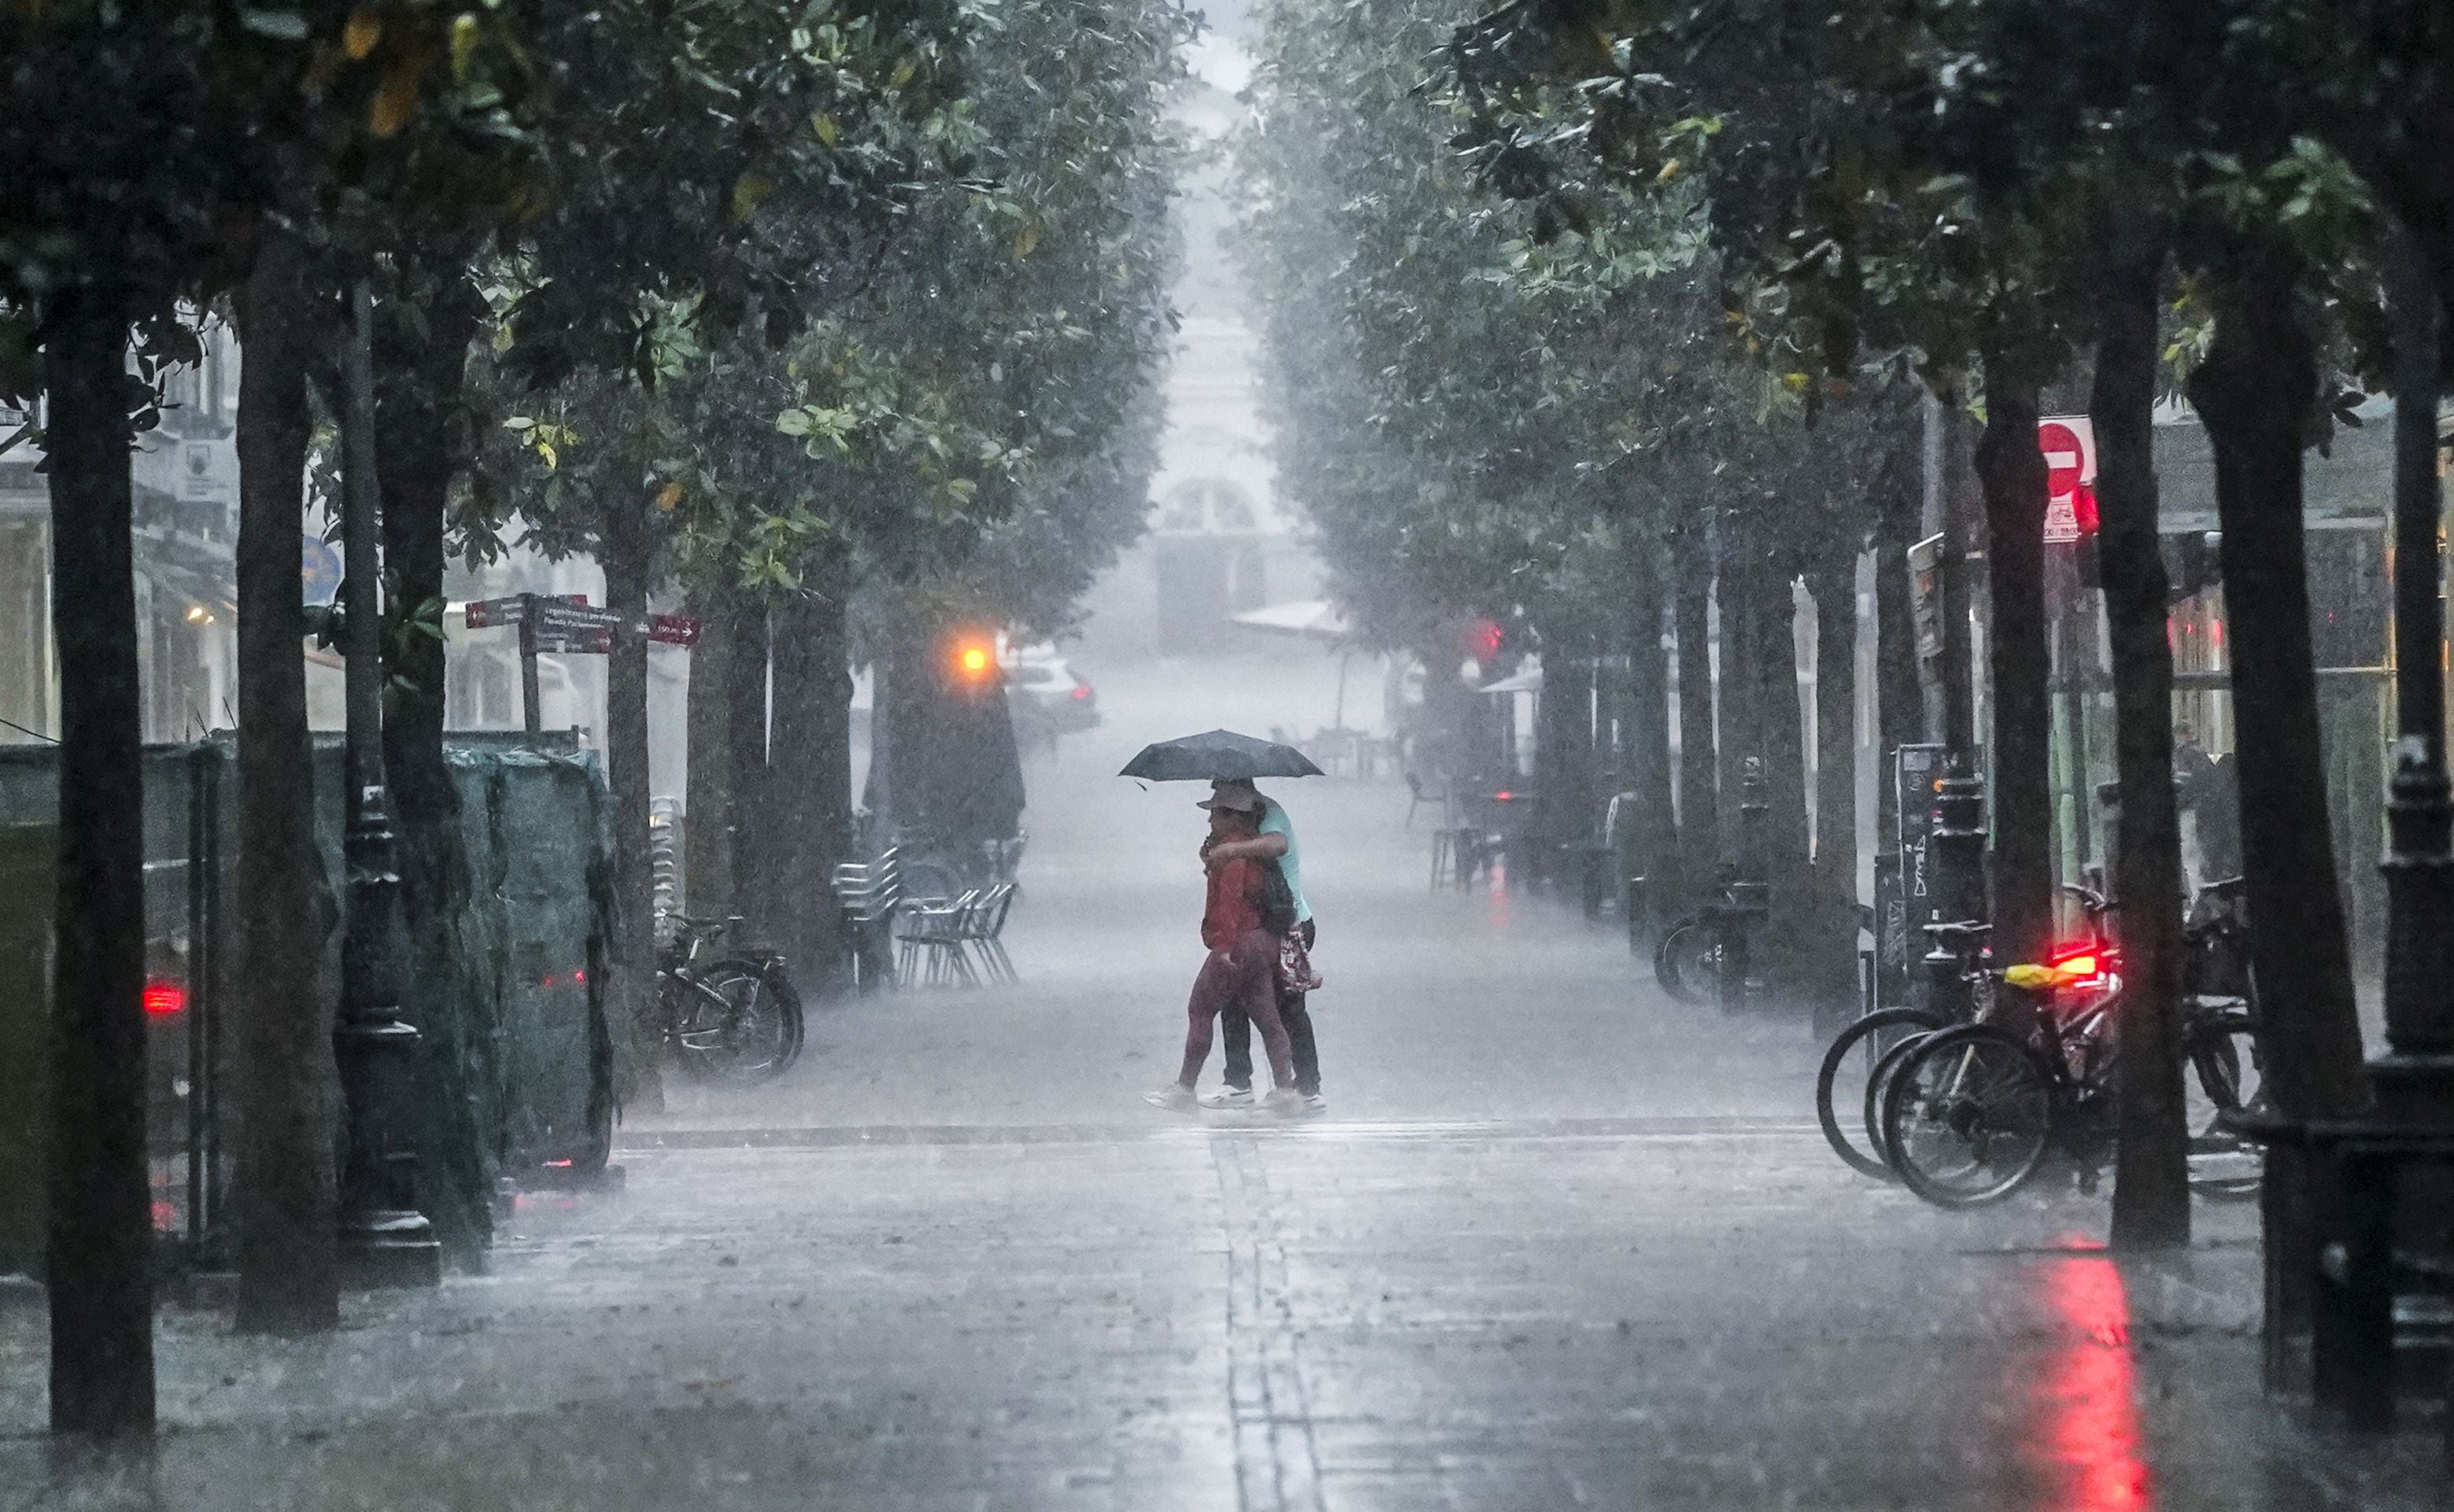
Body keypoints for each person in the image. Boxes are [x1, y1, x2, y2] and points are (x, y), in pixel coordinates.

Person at [1144, 787, 1304, 1114]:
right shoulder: (1249, 851)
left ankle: (1184, 1088)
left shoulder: (1233, 858)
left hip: (1238, 944)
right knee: (1267, 1016)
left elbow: (1230, 908)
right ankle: (1286, 1091)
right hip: (1261, 942)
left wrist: (1224, 951)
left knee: (1200, 1009)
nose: (1210, 818)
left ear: (1233, 815)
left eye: (1216, 812)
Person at [1201, 777, 1326, 1117]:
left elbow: (1277, 845)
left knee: (1288, 1006)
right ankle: (1238, 1081)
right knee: (1233, 999)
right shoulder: (1233, 825)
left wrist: (1233, 850)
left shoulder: (1270, 813)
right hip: (1253, 929)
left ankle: (1308, 1087)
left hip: (1289, 925)